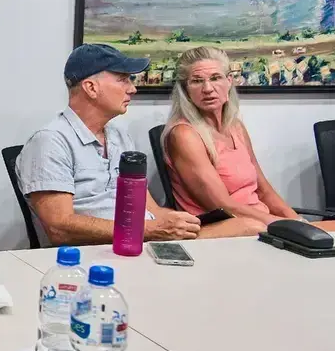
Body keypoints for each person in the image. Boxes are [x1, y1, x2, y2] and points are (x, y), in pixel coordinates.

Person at [17, 44, 261, 246]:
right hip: (99, 252)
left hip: (143, 240)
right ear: (91, 88)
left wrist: (181, 223)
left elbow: (151, 209)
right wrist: (150, 230)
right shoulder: (50, 142)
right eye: (123, 79)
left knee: (248, 226)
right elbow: (59, 227)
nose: (132, 89)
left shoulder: (119, 137)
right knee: (249, 227)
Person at [163, 46, 329, 230]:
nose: (208, 88)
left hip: (262, 223)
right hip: (230, 230)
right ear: (186, 90)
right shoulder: (184, 135)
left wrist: (299, 222)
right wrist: (283, 225)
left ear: (229, 81)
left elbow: (263, 189)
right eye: (197, 81)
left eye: (215, 78)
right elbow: (222, 206)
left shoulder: (236, 127)